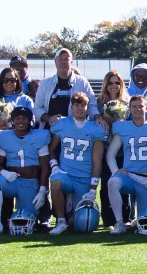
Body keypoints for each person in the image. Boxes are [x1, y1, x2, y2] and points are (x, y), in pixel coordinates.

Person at [45, 90, 107, 234]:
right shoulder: (61, 124)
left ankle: (69, 218)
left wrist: (93, 188)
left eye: (83, 105)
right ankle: (60, 222)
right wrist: (55, 167)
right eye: (76, 105)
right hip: (65, 174)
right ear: (71, 107)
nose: (79, 108)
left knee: (79, 224)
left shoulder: (95, 128)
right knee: (55, 182)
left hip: (84, 178)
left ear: (87, 107)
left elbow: (97, 161)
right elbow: (51, 148)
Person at [105, 94, 147, 232]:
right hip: (129, 177)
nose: (137, 109)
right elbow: (110, 154)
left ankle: (134, 221)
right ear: (129, 109)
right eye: (134, 106)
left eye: (140, 106)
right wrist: (115, 171)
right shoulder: (123, 128)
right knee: (113, 182)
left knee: (145, 222)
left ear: (146, 108)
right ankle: (119, 222)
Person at [0, 106, 52, 233]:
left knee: (27, 218)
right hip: (11, 181)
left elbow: (45, 166)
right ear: (12, 121)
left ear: (30, 120)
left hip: (29, 183)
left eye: (24, 118)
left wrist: (42, 190)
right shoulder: (4, 137)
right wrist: (5, 173)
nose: (21, 121)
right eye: (17, 118)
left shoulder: (40, 136)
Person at [32, 49, 95, 127]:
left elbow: (92, 105)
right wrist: (49, 119)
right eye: (60, 59)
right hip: (50, 131)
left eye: (66, 59)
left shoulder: (82, 82)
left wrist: (97, 117)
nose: (63, 62)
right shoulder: (45, 83)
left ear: (71, 62)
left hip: (75, 131)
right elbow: (37, 108)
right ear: (55, 62)